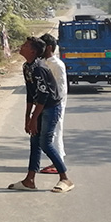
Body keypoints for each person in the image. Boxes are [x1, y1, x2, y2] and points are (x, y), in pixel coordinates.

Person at [9, 36, 74, 193]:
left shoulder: (39, 68)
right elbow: (31, 94)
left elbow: (44, 96)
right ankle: (29, 180)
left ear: (32, 51)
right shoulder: (27, 67)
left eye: (25, 45)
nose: (21, 46)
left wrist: (34, 118)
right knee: (34, 142)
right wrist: (27, 118)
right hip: (41, 107)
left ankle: (65, 178)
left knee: (45, 143)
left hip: (51, 108)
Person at [39, 33, 68, 174]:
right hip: (47, 105)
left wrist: (51, 104)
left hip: (54, 105)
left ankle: (58, 162)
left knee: (55, 133)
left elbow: (60, 88)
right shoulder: (45, 63)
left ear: (49, 47)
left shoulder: (57, 65)